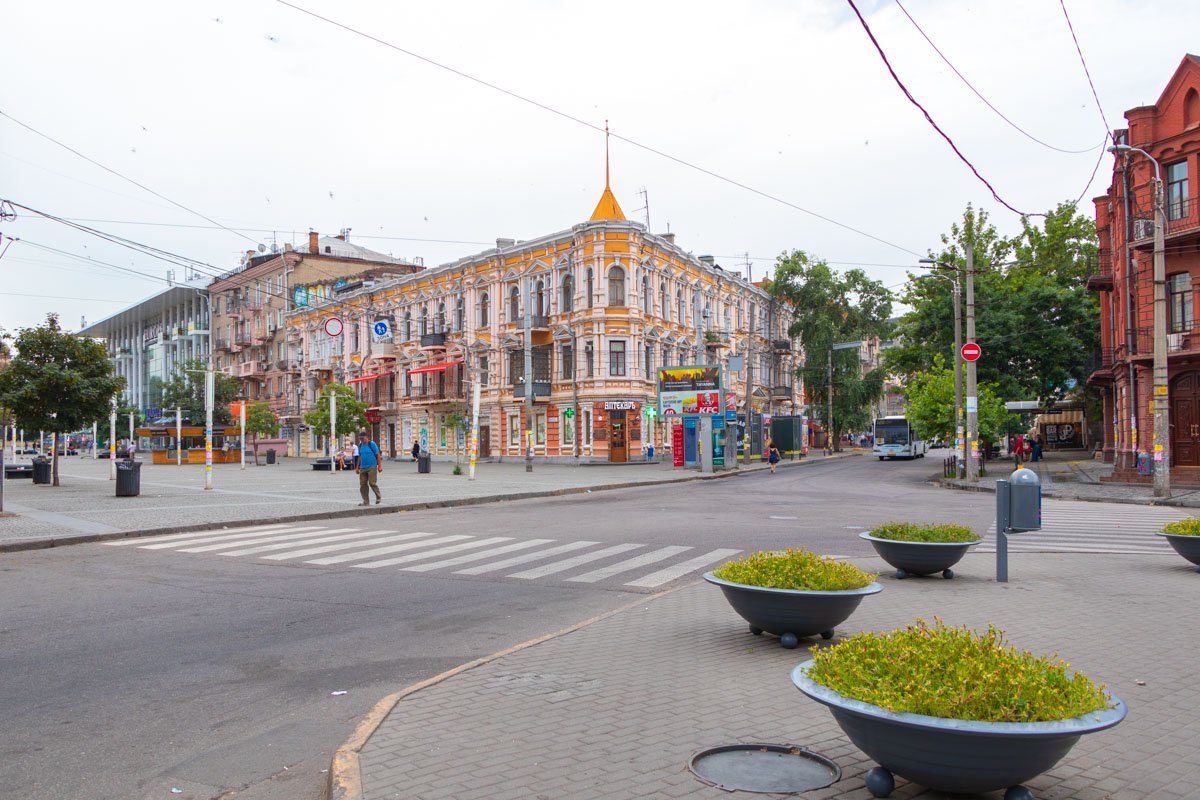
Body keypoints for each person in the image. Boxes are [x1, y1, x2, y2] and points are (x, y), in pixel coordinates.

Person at [357, 430, 383, 506]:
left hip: (372, 466)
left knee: (372, 483)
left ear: (366, 437)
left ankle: (378, 496)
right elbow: (359, 456)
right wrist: (357, 467)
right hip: (363, 467)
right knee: (363, 484)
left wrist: (379, 466)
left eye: (362, 438)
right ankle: (366, 501)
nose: (361, 440)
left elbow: (378, 455)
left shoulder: (371, 444)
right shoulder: (360, 445)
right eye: (360, 438)